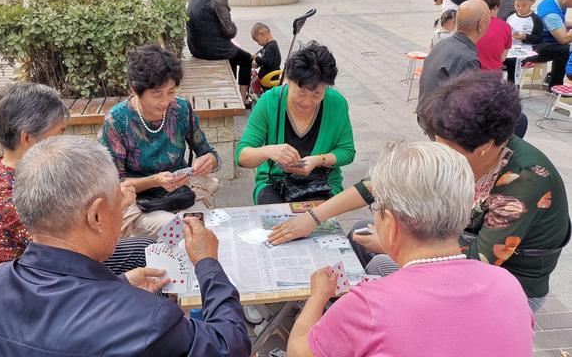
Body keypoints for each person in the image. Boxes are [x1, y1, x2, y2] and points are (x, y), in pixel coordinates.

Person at [269, 71, 570, 313]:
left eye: (443, 144)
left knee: (377, 273)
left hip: (508, 289)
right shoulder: (461, 146)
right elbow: (382, 183)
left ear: (486, 146)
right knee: (363, 239)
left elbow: (479, 263)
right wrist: (314, 216)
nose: (436, 151)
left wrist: (394, 247)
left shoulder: (526, 182)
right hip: (452, 252)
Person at [0, 136, 251, 356]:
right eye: (120, 198)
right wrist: (206, 263)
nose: (125, 206)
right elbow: (229, 345)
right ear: (96, 215)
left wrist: (120, 284)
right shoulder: (148, 318)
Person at [286, 142, 534, 357]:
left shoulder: (368, 306)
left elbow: (297, 352)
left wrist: (318, 294)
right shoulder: (508, 285)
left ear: (390, 224)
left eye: (377, 211)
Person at [0, 83, 154, 282]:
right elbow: (70, 250)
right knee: (143, 263)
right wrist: (113, 207)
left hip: (45, 269)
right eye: (59, 132)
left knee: (145, 249)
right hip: (32, 292)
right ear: (27, 138)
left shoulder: (13, 172)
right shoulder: (10, 197)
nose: (64, 140)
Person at [98, 44, 220, 239]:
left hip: (180, 193)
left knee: (199, 224)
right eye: (157, 94)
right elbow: (115, 184)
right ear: (134, 89)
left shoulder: (181, 109)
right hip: (137, 202)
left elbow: (210, 153)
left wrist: (208, 161)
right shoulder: (117, 121)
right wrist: (155, 181)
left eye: (171, 92)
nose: (165, 101)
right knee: (176, 229)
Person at [235, 42, 356, 204]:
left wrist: (318, 160)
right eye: (301, 92)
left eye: (316, 94)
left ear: (327, 87)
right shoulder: (269, 102)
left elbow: (347, 151)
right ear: (288, 80)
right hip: (275, 182)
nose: (307, 102)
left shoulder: (336, 103)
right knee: (277, 223)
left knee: (318, 222)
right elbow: (242, 156)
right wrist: (269, 151)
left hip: (322, 182)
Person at [186, 0, 253, 106]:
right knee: (246, 58)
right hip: (211, 49)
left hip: (195, 47)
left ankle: (235, 94)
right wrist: (234, 27)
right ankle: (243, 98)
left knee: (234, 55)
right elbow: (230, 31)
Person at [419, 0, 489, 106]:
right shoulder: (467, 59)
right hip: (439, 119)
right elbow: (470, 104)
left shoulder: (442, 44)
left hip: (425, 112)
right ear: (481, 25)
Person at [529, 0, 572, 90]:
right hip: (535, 48)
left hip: (543, 41)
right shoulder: (551, 13)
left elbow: (561, 23)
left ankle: (551, 76)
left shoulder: (554, 0)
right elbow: (563, 39)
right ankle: (555, 85)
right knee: (565, 49)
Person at [505, 0, 543, 83]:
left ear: (533, 2)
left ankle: (513, 86)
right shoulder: (510, 16)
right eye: (517, 5)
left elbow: (538, 39)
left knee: (513, 62)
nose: (520, 9)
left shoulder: (535, 20)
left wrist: (525, 37)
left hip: (524, 51)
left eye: (524, 6)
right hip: (508, 48)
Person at [473, 0, 512, 71]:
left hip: (470, 74)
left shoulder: (469, 23)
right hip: (494, 75)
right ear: (495, 7)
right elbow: (502, 58)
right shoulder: (505, 27)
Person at [251, 22, 282, 90]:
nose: (258, 43)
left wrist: (256, 58)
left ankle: (256, 97)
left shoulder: (271, 47)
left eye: (257, 41)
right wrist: (257, 63)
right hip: (270, 75)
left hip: (268, 76)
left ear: (262, 34)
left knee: (254, 82)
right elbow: (265, 59)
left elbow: (268, 62)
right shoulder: (270, 46)